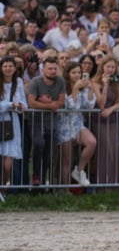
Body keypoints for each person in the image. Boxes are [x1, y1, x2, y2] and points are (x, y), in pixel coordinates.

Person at [26, 55, 65, 186]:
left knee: (48, 154)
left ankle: (42, 184)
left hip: (52, 122)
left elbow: (61, 102)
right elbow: (31, 103)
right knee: (39, 143)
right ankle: (36, 173)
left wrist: (43, 101)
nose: (53, 71)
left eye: (55, 69)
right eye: (49, 69)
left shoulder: (60, 81)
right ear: (43, 70)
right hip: (35, 121)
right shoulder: (35, 82)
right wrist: (49, 105)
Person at [57, 61, 97, 187]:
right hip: (64, 125)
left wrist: (90, 90)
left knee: (91, 142)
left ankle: (79, 170)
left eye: (78, 72)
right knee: (66, 161)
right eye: (73, 72)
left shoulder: (82, 87)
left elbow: (89, 106)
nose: (76, 75)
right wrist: (75, 88)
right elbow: (70, 106)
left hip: (78, 123)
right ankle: (64, 190)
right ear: (67, 74)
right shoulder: (62, 87)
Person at [91, 55, 119, 186]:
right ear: (102, 67)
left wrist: (111, 109)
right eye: (108, 66)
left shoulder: (116, 82)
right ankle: (101, 185)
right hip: (99, 122)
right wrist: (105, 85)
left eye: (113, 67)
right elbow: (100, 103)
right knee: (104, 152)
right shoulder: (95, 82)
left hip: (112, 121)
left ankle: (113, 185)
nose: (110, 69)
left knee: (113, 152)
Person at [0, 56, 27, 185]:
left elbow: (23, 103)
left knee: (7, 166)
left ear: (15, 68)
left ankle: (3, 188)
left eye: (10, 66)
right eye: (5, 66)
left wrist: (19, 107)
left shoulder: (19, 82)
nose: (8, 68)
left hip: (11, 125)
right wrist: (10, 105)